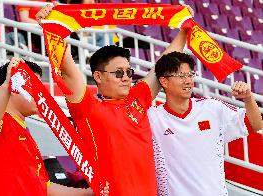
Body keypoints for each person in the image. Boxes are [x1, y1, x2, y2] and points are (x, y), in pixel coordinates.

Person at [35, 3, 194, 195]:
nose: (126, 77)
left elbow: (165, 63)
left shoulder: (138, 99)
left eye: (128, 72)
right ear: (99, 76)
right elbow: (67, 70)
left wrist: (184, 29)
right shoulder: (87, 107)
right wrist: (52, 26)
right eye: (119, 73)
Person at [0, 57, 109, 195]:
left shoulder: (25, 132)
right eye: (33, 86)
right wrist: (7, 84)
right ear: (14, 87)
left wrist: (90, 193)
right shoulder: (0, 122)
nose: (39, 94)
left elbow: (44, 187)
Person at [148, 51, 263, 196]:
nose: (188, 81)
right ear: (164, 81)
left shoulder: (212, 107)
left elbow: (256, 125)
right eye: (181, 76)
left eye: (190, 75)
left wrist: (248, 98)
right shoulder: (152, 118)